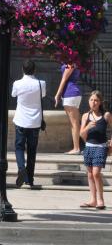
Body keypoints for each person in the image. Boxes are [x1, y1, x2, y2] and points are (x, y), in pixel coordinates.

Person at [11, 60, 46, 188]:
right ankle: (29, 179)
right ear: (34, 70)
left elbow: (13, 94)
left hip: (21, 120)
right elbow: (43, 96)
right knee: (32, 150)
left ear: (22, 69)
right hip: (35, 121)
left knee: (19, 147)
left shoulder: (17, 83)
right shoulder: (41, 83)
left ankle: (21, 168)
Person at [79, 90, 110, 210]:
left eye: (96, 100)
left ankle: (100, 199)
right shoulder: (85, 116)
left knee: (96, 173)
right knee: (90, 174)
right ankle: (93, 200)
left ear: (100, 102)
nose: (93, 102)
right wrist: (87, 127)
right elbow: (81, 134)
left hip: (101, 147)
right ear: (88, 102)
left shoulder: (106, 115)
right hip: (89, 147)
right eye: (91, 100)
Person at [54, 63, 82, 155]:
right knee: (74, 123)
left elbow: (64, 79)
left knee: (74, 123)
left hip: (70, 93)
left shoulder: (70, 63)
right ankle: (76, 147)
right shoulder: (74, 62)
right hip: (73, 93)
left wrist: (58, 94)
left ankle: (76, 148)